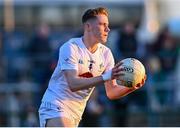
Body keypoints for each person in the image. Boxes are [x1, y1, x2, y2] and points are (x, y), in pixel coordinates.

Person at [38, 7, 146, 127]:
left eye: (108, 25)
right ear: (88, 26)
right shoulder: (70, 47)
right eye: (102, 24)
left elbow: (111, 92)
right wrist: (106, 76)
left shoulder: (106, 54)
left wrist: (131, 87)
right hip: (55, 105)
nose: (108, 29)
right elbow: (73, 84)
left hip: (76, 112)